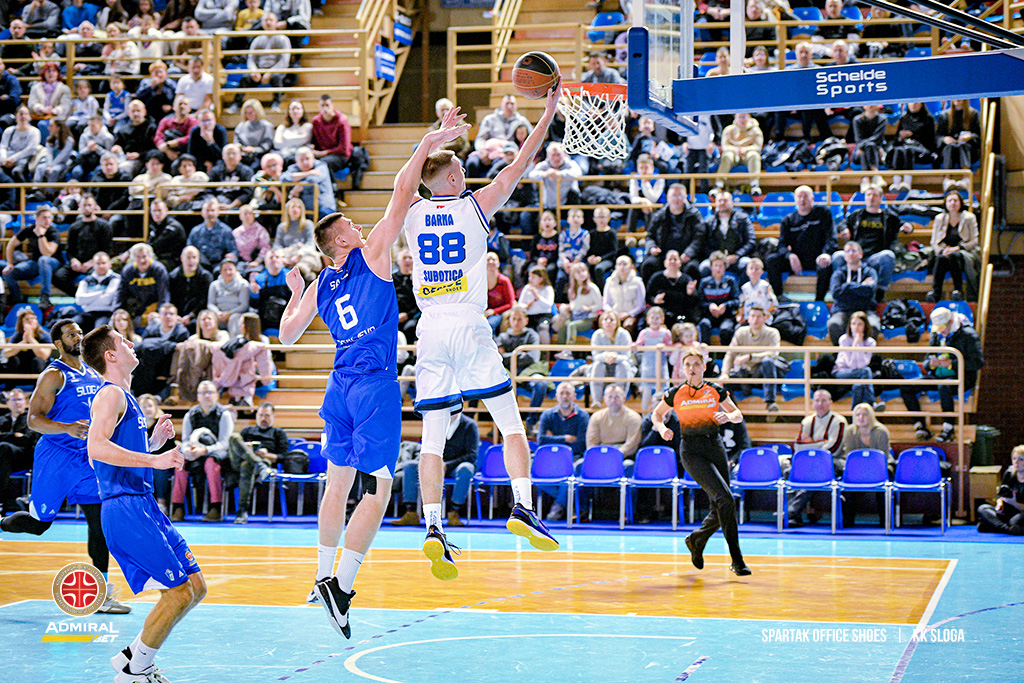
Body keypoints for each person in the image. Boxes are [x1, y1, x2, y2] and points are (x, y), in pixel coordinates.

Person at [276, 112, 470, 633]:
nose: (360, 230)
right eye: (351, 228)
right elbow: (404, 189)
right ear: (341, 243)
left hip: (338, 386)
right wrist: (429, 140)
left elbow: (287, 336)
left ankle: (321, 576)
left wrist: (295, 294)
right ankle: (340, 586)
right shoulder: (374, 256)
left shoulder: (320, 282)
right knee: (378, 490)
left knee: (337, 484)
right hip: (373, 385)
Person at [401, 86, 562, 581]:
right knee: (510, 423)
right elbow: (520, 163)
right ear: (453, 177)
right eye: (460, 167)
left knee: (431, 439)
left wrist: (432, 139)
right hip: (468, 322)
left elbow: (406, 179)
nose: (466, 172)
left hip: (430, 327)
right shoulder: (474, 206)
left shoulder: (410, 211)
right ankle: (523, 506)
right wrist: (548, 113)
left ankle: (433, 526)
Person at [82, 324, 206, 682]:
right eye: (122, 341)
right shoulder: (110, 395)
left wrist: (151, 444)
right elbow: (95, 449)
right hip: (125, 507)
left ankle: (131, 658)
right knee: (178, 593)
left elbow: (114, 454)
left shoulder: (126, 395)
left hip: (142, 503)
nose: (131, 343)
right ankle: (137, 671)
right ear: (111, 356)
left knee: (196, 587)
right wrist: (154, 460)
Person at [0, 320, 131, 614]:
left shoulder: (94, 373)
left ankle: (101, 594)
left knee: (99, 524)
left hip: (87, 459)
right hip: (56, 459)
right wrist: (67, 428)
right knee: (39, 524)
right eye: (72, 335)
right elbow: (34, 420)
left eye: (80, 333)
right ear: (59, 343)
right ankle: (2, 523)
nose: (78, 337)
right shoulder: (54, 375)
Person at [652, 349, 751, 575]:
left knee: (722, 505)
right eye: (688, 364)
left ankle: (697, 539)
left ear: (704, 367)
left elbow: (738, 414)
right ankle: (737, 560)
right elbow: (656, 415)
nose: (692, 368)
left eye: (697, 364)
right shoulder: (675, 393)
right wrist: (662, 427)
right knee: (726, 499)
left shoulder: (715, 390)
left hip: (714, 446)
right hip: (691, 450)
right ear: (682, 368)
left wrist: (729, 416)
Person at [902, 306, 983, 443]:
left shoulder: (969, 335)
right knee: (906, 387)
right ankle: (920, 425)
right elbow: (927, 360)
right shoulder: (936, 334)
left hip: (962, 377)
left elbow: (977, 363)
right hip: (938, 375)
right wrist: (930, 364)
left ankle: (948, 428)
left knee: (944, 386)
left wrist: (952, 363)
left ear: (951, 322)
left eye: (943, 328)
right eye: (938, 328)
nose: (941, 332)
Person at [391, 413, 479, 527]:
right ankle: (410, 512)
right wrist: (434, 462)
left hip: (455, 466)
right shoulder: (436, 421)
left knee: (466, 468)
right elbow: (426, 446)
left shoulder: (470, 425)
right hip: (434, 463)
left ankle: (454, 512)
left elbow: (471, 455)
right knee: (410, 466)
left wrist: (447, 465)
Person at [836, 185, 914, 302]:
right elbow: (842, 223)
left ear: (881, 198)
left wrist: (909, 227)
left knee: (888, 255)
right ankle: (840, 290)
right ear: (865, 198)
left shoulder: (889, 217)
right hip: (856, 256)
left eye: (875, 195)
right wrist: (844, 229)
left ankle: (880, 292)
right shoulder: (857, 215)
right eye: (869, 195)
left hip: (876, 258)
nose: (871, 198)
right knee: (837, 256)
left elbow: (905, 225)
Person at [786, 389, 847, 526]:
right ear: (813, 403)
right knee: (789, 469)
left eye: (824, 400)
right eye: (817, 401)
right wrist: (821, 443)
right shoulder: (807, 421)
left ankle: (790, 512)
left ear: (831, 403)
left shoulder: (839, 421)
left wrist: (810, 443)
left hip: (835, 462)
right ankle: (796, 515)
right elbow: (798, 447)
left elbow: (834, 448)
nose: (820, 404)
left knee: (813, 471)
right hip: (810, 463)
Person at [765, 185, 837, 302]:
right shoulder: (788, 220)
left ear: (812, 198)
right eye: (799, 197)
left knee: (825, 265)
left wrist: (827, 253)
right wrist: (790, 256)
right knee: (771, 260)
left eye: (806, 197)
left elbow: (831, 238)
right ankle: (779, 297)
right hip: (797, 261)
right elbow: (781, 245)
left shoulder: (823, 213)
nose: (802, 200)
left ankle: (819, 301)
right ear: (795, 199)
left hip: (818, 258)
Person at [536, 381, 589, 521]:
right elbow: (541, 440)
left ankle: (558, 505)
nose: (565, 396)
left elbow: (581, 444)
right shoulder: (547, 415)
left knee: (572, 471)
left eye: (568, 393)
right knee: (531, 469)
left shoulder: (583, 416)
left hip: (573, 458)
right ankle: (569, 501)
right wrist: (566, 438)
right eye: (562, 393)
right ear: (556, 396)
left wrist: (552, 438)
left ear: (574, 396)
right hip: (550, 459)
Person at [719, 305, 785, 418]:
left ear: (765, 318)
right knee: (724, 382)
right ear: (748, 318)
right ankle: (733, 413)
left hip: (763, 373)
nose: (755, 319)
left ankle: (771, 403)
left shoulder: (773, 332)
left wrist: (750, 357)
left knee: (768, 361)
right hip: (745, 372)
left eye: (759, 316)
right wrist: (724, 373)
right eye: (753, 316)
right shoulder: (741, 332)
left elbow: (774, 353)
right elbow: (730, 354)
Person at [231, 402, 289, 524]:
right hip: (241, 461)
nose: (263, 419)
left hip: (264, 461)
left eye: (267, 415)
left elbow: (283, 457)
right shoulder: (247, 431)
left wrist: (266, 455)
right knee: (234, 437)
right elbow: (236, 449)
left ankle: (242, 511)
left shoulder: (279, 433)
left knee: (247, 466)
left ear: (273, 416)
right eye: (261, 415)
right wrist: (247, 449)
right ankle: (258, 464)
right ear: (256, 416)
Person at [838, 402, 892, 526]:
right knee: (846, 481)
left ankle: (885, 522)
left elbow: (882, 457)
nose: (861, 418)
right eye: (858, 415)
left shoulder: (881, 431)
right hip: (857, 468)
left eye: (864, 415)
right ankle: (848, 522)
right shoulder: (850, 431)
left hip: (879, 468)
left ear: (871, 416)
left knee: (885, 481)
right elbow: (850, 456)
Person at [496, 305, 548, 430]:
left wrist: (509, 356)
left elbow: (532, 358)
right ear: (509, 320)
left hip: (528, 373)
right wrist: (519, 355)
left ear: (526, 320)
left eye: (519, 319)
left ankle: (531, 423)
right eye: (513, 319)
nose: (516, 322)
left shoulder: (532, 336)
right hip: (508, 374)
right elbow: (498, 358)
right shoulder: (503, 337)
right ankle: (502, 426)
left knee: (541, 383)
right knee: (496, 383)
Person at [2, 205, 61, 308]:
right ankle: (17, 300)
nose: (47, 221)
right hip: (35, 263)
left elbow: (47, 253)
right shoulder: (30, 229)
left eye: (49, 217)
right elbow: (11, 245)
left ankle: (45, 297)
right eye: (44, 217)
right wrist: (9, 263)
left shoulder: (53, 231)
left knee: (43, 260)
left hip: (53, 263)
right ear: (37, 219)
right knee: (9, 273)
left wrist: (41, 236)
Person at [826, 241, 880, 345]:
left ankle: (865, 354)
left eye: (854, 251)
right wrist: (860, 286)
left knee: (873, 325)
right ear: (844, 256)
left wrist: (846, 287)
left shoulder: (870, 272)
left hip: (866, 310)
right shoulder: (838, 273)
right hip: (843, 310)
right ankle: (841, 353)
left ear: (861, 254)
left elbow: (870, 291)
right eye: (848, 251)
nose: (851, 254)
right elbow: (836, 293)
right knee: (833, 324)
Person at [929, 190, 979, 303]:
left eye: (955, 200)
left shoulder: (969, 217)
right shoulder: (939, 218)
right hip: (945, 252)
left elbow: (974, 241)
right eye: (950, 201)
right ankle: (936, 293)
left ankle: (958, 290)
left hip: (962, 253)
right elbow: (934, 242)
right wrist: (942, 250)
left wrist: (958, 248)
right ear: (945, 204)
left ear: (960, 203)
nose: (953, 203)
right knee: (940, 258)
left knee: (954, 256)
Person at [699, 190, 755, 281]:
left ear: (732, 202)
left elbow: (751, 241)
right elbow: (704, 244)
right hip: (716, 260)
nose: (722, 203)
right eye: (719, 201)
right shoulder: (708, 222)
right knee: (704, 267)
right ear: (716, 203)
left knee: (747, 264)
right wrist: (716, 258)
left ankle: (740, 290)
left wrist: (737, 255)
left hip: (737, 258)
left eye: (725, 200)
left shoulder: (743, 219)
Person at [0, 389, 38, 514]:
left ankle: (1, 502)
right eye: (14, 400)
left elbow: (26, 440)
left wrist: (5, 436)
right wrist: (14, 435)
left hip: (23, 458)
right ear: (7, 403)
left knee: (4, 447)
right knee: (4, 452)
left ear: (26, 402)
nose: (17, 403)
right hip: (4, 460)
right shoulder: (2, 420)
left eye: (20, 399)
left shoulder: (31, 419)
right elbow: (20, 438)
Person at [117, 242, 170, 326]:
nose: (142, 260)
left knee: (156, 322)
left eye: (144, 256)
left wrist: (160, 313)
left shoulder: (159, 270)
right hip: (134, 310)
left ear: (150, 256)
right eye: (138, 257)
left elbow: (163, 294)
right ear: (133, 258)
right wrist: (117, 312)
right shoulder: (127, 271)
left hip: (153, 310)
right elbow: (121, 293)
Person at [833, 311, 878, 410]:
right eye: (853, 324)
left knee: (858, 385)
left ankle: (854, 413)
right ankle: (872, 402)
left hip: (859, 374)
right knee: (866, 371)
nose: (856, 327)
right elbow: (852, 365)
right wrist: (855, 344)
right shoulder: (844, 339)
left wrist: (859, 344)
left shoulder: (870, 342)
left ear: (865, 326)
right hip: (841, 372)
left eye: (860, 324)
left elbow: (862, 365)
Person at [976, 445, 1024, 535]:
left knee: (1014, 521)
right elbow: (1001, 495)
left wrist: (1015, 503)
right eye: (1014, 459)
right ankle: (1008, 529)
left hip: (1021, 513)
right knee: (983, 509)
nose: (1016, 462)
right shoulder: (1009, 473)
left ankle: (994, 526)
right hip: (1006, 512)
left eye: (1021, 459)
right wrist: (999, 504)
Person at [696, 250, 740, 346]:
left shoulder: (731, 281)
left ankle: (725, 354)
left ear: (725, 267)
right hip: (709, 316)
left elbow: (736, 300)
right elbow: (700, 302)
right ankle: (706, 354)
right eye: (715, 265)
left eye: (721, 266)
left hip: (726, 316)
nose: (718, 269)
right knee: (704, 324)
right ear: (711, 267)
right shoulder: (704, 282)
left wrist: (725, 306)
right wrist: (710, 306)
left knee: (726, 329)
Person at [717, 112, 763, 196]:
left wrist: (745, 149)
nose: (742, 119)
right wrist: (735, 150)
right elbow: (725, 146)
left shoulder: (756, 130)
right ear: (735, 118)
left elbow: (758, 146)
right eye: (739, 117)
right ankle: (719, 184)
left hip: (748, 153)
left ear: (749, 117)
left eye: (744, 117)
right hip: (733, 153)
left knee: (754, 155)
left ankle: (754, 184)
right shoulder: (728, 129)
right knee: (727, 156)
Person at [309, 94, 352, 179]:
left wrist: (325, 153)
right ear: (318, 106)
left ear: (332, 105)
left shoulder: (342, 121)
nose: (325, 108)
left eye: (327, 105)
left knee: (324, 163)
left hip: (339, 156)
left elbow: (343, 148)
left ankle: (332, 186)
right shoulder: (316, 121)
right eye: (322, 105)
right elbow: (314, 141)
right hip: (322, 153)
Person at [602, 255, 645, 335]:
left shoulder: (638, 282)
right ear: (615, 267)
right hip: (614, 314)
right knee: (607, 323)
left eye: (625, 264)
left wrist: (628, 314)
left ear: (631, 266)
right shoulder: (609, 281)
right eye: (619, 264)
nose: (622, 267)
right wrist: (613, 313)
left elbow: (641, 305)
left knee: (628, 325)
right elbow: (606, 303)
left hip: (631, 314)